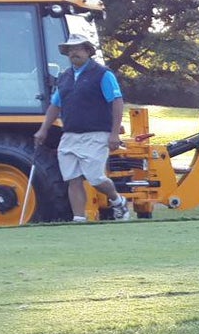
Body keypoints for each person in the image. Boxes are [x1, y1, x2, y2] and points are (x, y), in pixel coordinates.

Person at [35, 34, 134, 222]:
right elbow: (55, 105)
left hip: (97, 133)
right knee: (73, 179)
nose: (74, 52)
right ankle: (79, 219)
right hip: (70, 134)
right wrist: (43, 129)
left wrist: (114, 134)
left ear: (88, 51)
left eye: (78, 48)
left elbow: (117, 102)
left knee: (95, 178)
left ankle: (117, 201)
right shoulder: (64, 77)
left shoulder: (103, 74)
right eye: (70, 49)